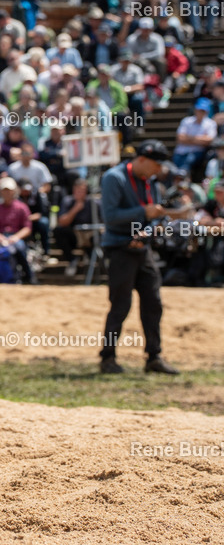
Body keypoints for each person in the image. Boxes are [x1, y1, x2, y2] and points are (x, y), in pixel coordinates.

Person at [99, 140, 179, 375]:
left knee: (153, 302)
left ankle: (154, 356)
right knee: (120, 305)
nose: (159, 170)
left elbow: (154, 216)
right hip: (119, 248)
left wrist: (147, 231)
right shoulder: (114, 178)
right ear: (142, 159)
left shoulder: (149, 181)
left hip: (142, 249)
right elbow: (110, 217)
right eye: (156, 165)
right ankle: (107, 357)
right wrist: (143, 212)